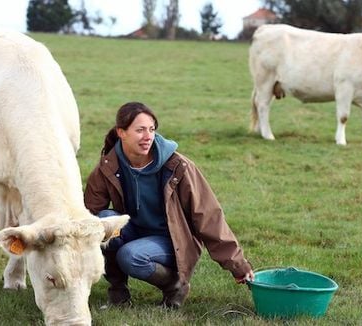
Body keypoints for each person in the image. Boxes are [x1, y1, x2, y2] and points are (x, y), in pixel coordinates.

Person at [84, 102, 254, 308]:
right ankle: (118, 294)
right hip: (134, 230)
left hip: (172, 239)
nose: (148, 136)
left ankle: (175, 286)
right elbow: (88, 215)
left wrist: (238, 265)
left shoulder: (178, 166)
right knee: (102, 222)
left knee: (130, 256)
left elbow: (208, 217)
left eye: (151, 129)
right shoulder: (109, 166)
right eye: (140, 130)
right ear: (122, 132)